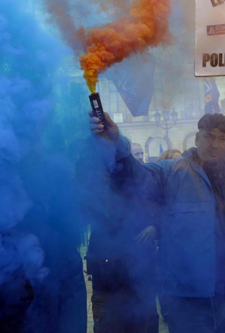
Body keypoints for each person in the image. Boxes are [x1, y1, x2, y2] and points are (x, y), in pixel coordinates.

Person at [89, 111, 225, 333]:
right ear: (197, 139)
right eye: (209, 137)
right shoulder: (172, 170)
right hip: (190, 295)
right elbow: (135, 179)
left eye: (222, 139)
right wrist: (117, 142)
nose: (215, 144)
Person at [77, 137, 159, 333]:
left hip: (141, 273)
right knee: (109, 325)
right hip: (107, 275)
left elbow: (161, 207)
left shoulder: (145, 180)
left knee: (144, 325)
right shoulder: (95, 181)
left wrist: (156, 227)